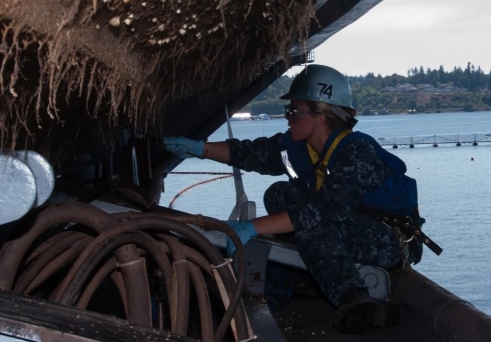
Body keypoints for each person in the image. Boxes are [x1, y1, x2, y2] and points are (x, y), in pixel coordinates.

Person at [164, 65, 414, 335]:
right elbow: (252, 153)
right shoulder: (298, 147)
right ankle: (310, 270)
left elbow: (324, 209)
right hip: (347, 226)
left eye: (295, 112)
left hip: (386, 239)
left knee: (313, 223)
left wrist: (253, 227)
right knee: (279, 194)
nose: (288, 118)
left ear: (321, 116)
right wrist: (201, 149)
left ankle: (354, 298)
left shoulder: (357, 151)